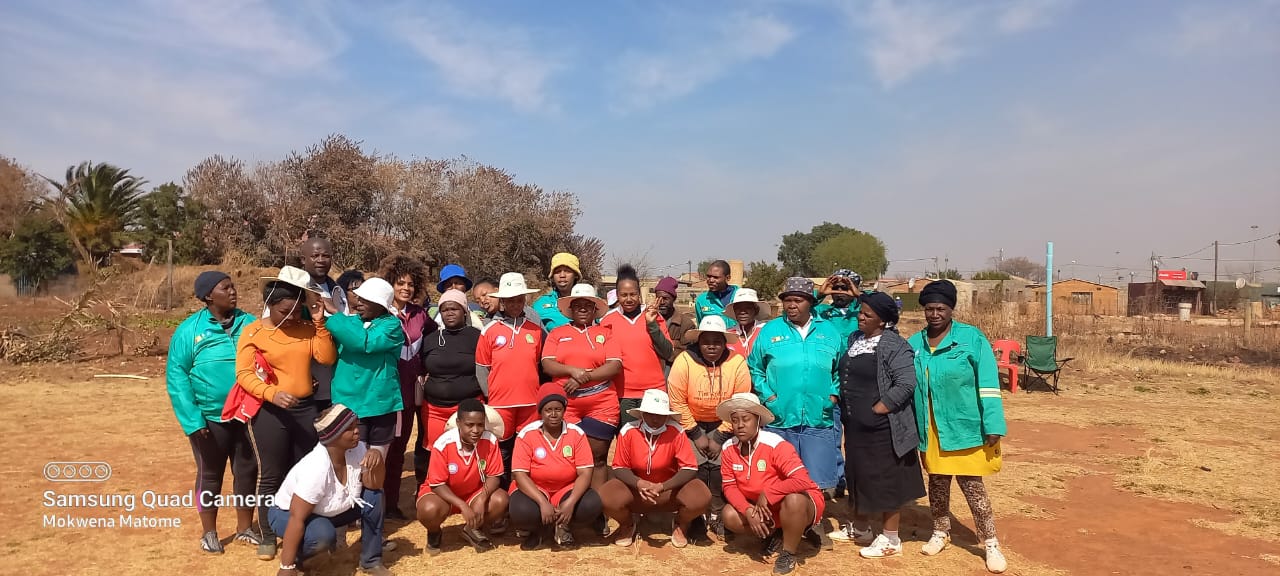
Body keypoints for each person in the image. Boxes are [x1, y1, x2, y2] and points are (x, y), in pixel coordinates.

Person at [236, 266, 336, 560]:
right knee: (272, 474)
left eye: (296, 309)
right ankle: (268, 534)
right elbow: (243, 374)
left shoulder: (307, 329)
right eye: (284, 311)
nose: (291, 316)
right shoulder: (253, 332)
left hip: (307, 409)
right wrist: (272, 394)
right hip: (270, 412)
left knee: (306, 471)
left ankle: (303, 525)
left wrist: (318, 324)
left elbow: (326, 358)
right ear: (270, 304)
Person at [908, 280, 1008, 573]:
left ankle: (990, 542)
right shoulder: (915, 344)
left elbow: (988, 384)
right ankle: (940, 531)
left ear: (951, 309)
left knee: (973, 487)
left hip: (965, 427)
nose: (935, 314)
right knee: (937, 485)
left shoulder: (971, 339)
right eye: (929, 309)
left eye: (941, 308)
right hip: (931, 429)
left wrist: (993, 423)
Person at [746, 277, 842, 550]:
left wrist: (833, 395)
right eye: (787, 300)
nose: (791, 305)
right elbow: (755, 367)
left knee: (814, 477)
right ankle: (778, 528)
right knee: (779, 477)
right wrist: (769, 397)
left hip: (817, 416)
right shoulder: (770, 331)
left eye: (797, 300)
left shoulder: (829, 332)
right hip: (779, 419)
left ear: (810, 303)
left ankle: (814, 524)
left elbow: (840, 369)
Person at [166, 271, 258, 553]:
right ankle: (209, 533)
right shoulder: (189, 330)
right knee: (210, 474)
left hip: (245, 415)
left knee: (247, 469)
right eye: (225, 288)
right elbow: (177, 376)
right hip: (209, 418)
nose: (233, 292)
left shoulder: (250, 324)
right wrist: (193, 420)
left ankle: (245, 528)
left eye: (233, 287)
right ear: (208, 296)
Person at [836, 291, 926, 558]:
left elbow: (906, 383)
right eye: (860, 312)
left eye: (867, 315)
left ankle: (890, 539)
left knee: (887, 479)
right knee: (858, 474)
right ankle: (861, 527)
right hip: (855, 426)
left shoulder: (894, 345)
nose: (860, 317)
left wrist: (879, 408)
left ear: (883, 321)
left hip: (883, 427)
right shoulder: (855, 339)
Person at [268, 404, 389, 576]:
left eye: (356, 426)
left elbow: (374, 486)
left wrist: (377, 461)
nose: (357, 432)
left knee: (374, 497)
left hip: (329, 510)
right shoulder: (317, 468)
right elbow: (297, 517)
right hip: (286, 515)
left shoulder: (358, 449)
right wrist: (286, 567)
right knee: (322, 535)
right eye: (350, 429)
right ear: (333, 437)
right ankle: (300, 560)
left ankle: (371, 561)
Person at [717, 393, 825, 576]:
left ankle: (788, 552)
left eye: (746, 419)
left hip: (799, 502)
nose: (740, 425)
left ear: (758, 420)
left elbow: (802, 480)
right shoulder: (728, 448)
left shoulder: (776, 444)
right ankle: (776, 533)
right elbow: (729, 486)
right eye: (735, 420)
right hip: (765, 508)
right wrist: (747, 511)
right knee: (729, 515)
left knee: (794, 501)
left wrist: (769, 493)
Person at [665, 315, 752, 542]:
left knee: (721, 469)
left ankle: (717, 514)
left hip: (725, 422)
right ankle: (696, 516)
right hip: (690, 421)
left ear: (725, 342)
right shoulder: (684, 361)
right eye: (706, 341)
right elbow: (677, 400)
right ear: (699, 342)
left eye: (717, 341)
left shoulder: (737, 362)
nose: (711, 346)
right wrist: (696, 435)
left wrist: (721, 435)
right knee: (695, 467)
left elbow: (740, 400)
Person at [326, 277, 405, 511]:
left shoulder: (391, 326)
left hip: (381, 407)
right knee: (351, 467)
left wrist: (335, 315)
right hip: (350, 407)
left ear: (381, 305)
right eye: (358, 297)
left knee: (374, 469)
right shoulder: (351, 323)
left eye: (366, 299)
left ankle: (371, 530)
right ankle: (344, 519)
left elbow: (364, 343)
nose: (359, 302)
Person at [599, 389, 711, 548]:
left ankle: (681, 524)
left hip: (669, 491)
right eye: (650, 413)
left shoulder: (677, 431)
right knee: (606, 495)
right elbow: (620, 467)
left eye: (660, 414)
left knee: (701, 496)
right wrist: (639, 484)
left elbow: (689, 468)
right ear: (642, 413)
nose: (655, 418)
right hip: (637, 492)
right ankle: (627, 524)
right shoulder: (628, 431)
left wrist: (663, 486)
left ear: (667, 415)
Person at [541, 284, 623, 491]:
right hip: (565, 403)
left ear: (595, 308)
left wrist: (582, 378)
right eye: (578, 305)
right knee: (565, 455)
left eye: (589, 305)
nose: (583, 309)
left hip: (601, 402)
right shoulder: (557, 334)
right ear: (571, 309)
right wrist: (572, 371)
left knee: (598, 458)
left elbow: (614, 365)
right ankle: (569, 505)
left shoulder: (607, 333)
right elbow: (547, 364)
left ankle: (598, 510)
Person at [374, 255, 436, 519]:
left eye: (411, 284)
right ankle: (371, 506)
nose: (406, 289)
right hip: (383, 392)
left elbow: (434, 338)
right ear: (390, 283)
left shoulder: (420, 314)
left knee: (398, 450)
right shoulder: (378, 312)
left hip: (408, 394)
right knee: (378, 450)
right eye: (400, 283)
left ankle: (390, 506)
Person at [509, 387, 603, 550]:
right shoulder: (527, 434)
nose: (553, 414)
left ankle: (564, 528)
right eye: (548, 410)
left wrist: (571, 502)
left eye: (558, 409)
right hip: (536, 488)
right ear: (541, 412)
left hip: (566, 488)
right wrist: (542, 502)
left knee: (591, 504)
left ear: (564, 411)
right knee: (521, 510)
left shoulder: (576, 434)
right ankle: (539, 531)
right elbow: (520, 474)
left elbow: (585, 473)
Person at [476, 272, 545, 487]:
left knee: (527, 449)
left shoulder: (535, 330)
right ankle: (503, 496)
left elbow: (538, 364)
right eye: (510, 300)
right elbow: (481, 368)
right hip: (500, 403)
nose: (515, 304)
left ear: (525, 300)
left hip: (529, 403)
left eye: (519, 299)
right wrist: (491, 394)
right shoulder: (489, 331)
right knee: (502, 450)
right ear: (502, 302)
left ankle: (524, 493)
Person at [414, 399, 508, 554]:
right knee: (429, 509)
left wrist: (482, 498)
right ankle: (434, 532)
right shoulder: (443, 443)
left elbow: (494, 476)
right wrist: (463, 506)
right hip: (444, 495)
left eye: (480, 424)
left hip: (473, 492)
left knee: (500, 499)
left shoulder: (490, 440)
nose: (476, 430)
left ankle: (472, 528)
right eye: (469, 425)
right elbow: (437, 484)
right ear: (458, 423)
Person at [599, 264, 674, 426]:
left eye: (633, 294)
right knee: (629, 440)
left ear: (639, 294)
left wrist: (652, 325)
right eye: (623, 295)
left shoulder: (653, 315)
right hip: (623, 394)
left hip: (653, 391)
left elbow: (668, 352)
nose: (629, 299)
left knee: (655, 441)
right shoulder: (607, 321)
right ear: (617, 295)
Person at [420, 290, 483, 459]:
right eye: (444, 309)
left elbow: (486, 368)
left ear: (464, 310)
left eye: (454, 309)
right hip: (434, 409)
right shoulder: (430, 339)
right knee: (437, 452)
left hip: (468, 409)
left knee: (468, 451)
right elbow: (420, 370)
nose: (449, 313)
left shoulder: (477, 337)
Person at [298, 236, 347, 411]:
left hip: (333, 377)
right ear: (303, 259)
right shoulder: (293, 290)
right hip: (304, 376)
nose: (321, 260)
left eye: (325, 256)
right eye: (315, 255)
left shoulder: (338, 291)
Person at [653, 276, 696, 366]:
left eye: (665, 298)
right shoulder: (650, 321)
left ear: (674, 299)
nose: (661, 302)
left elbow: (687, 353)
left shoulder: (686, 324)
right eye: (658, 298)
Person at [534, 252, 582, 331]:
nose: (562, 275)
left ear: (576, 275)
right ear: (552, 277)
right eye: (557, 272)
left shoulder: (590, 301)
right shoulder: (540, 304)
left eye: (567, 271)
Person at [815, 269, 863, 343]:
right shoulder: (822, 311)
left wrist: (859, 295)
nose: (839, 292)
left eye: (845, 288)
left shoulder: (863, 311)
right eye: (835, 288)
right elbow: (800, 309)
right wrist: (819, 294)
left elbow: (882, 305)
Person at [725, 288, 767, 359]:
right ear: (734, 311)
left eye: (748, 308)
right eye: (738, 308)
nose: (742, 312)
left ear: (756, 310)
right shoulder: (728, 335)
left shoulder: (765, 331)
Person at [694, 260, 739, 326]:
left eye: (716, 277)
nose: (711, 280)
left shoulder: (740, 296)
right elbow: (701, 327)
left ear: (728, 278)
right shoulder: (701, 300)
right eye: (709, 276)